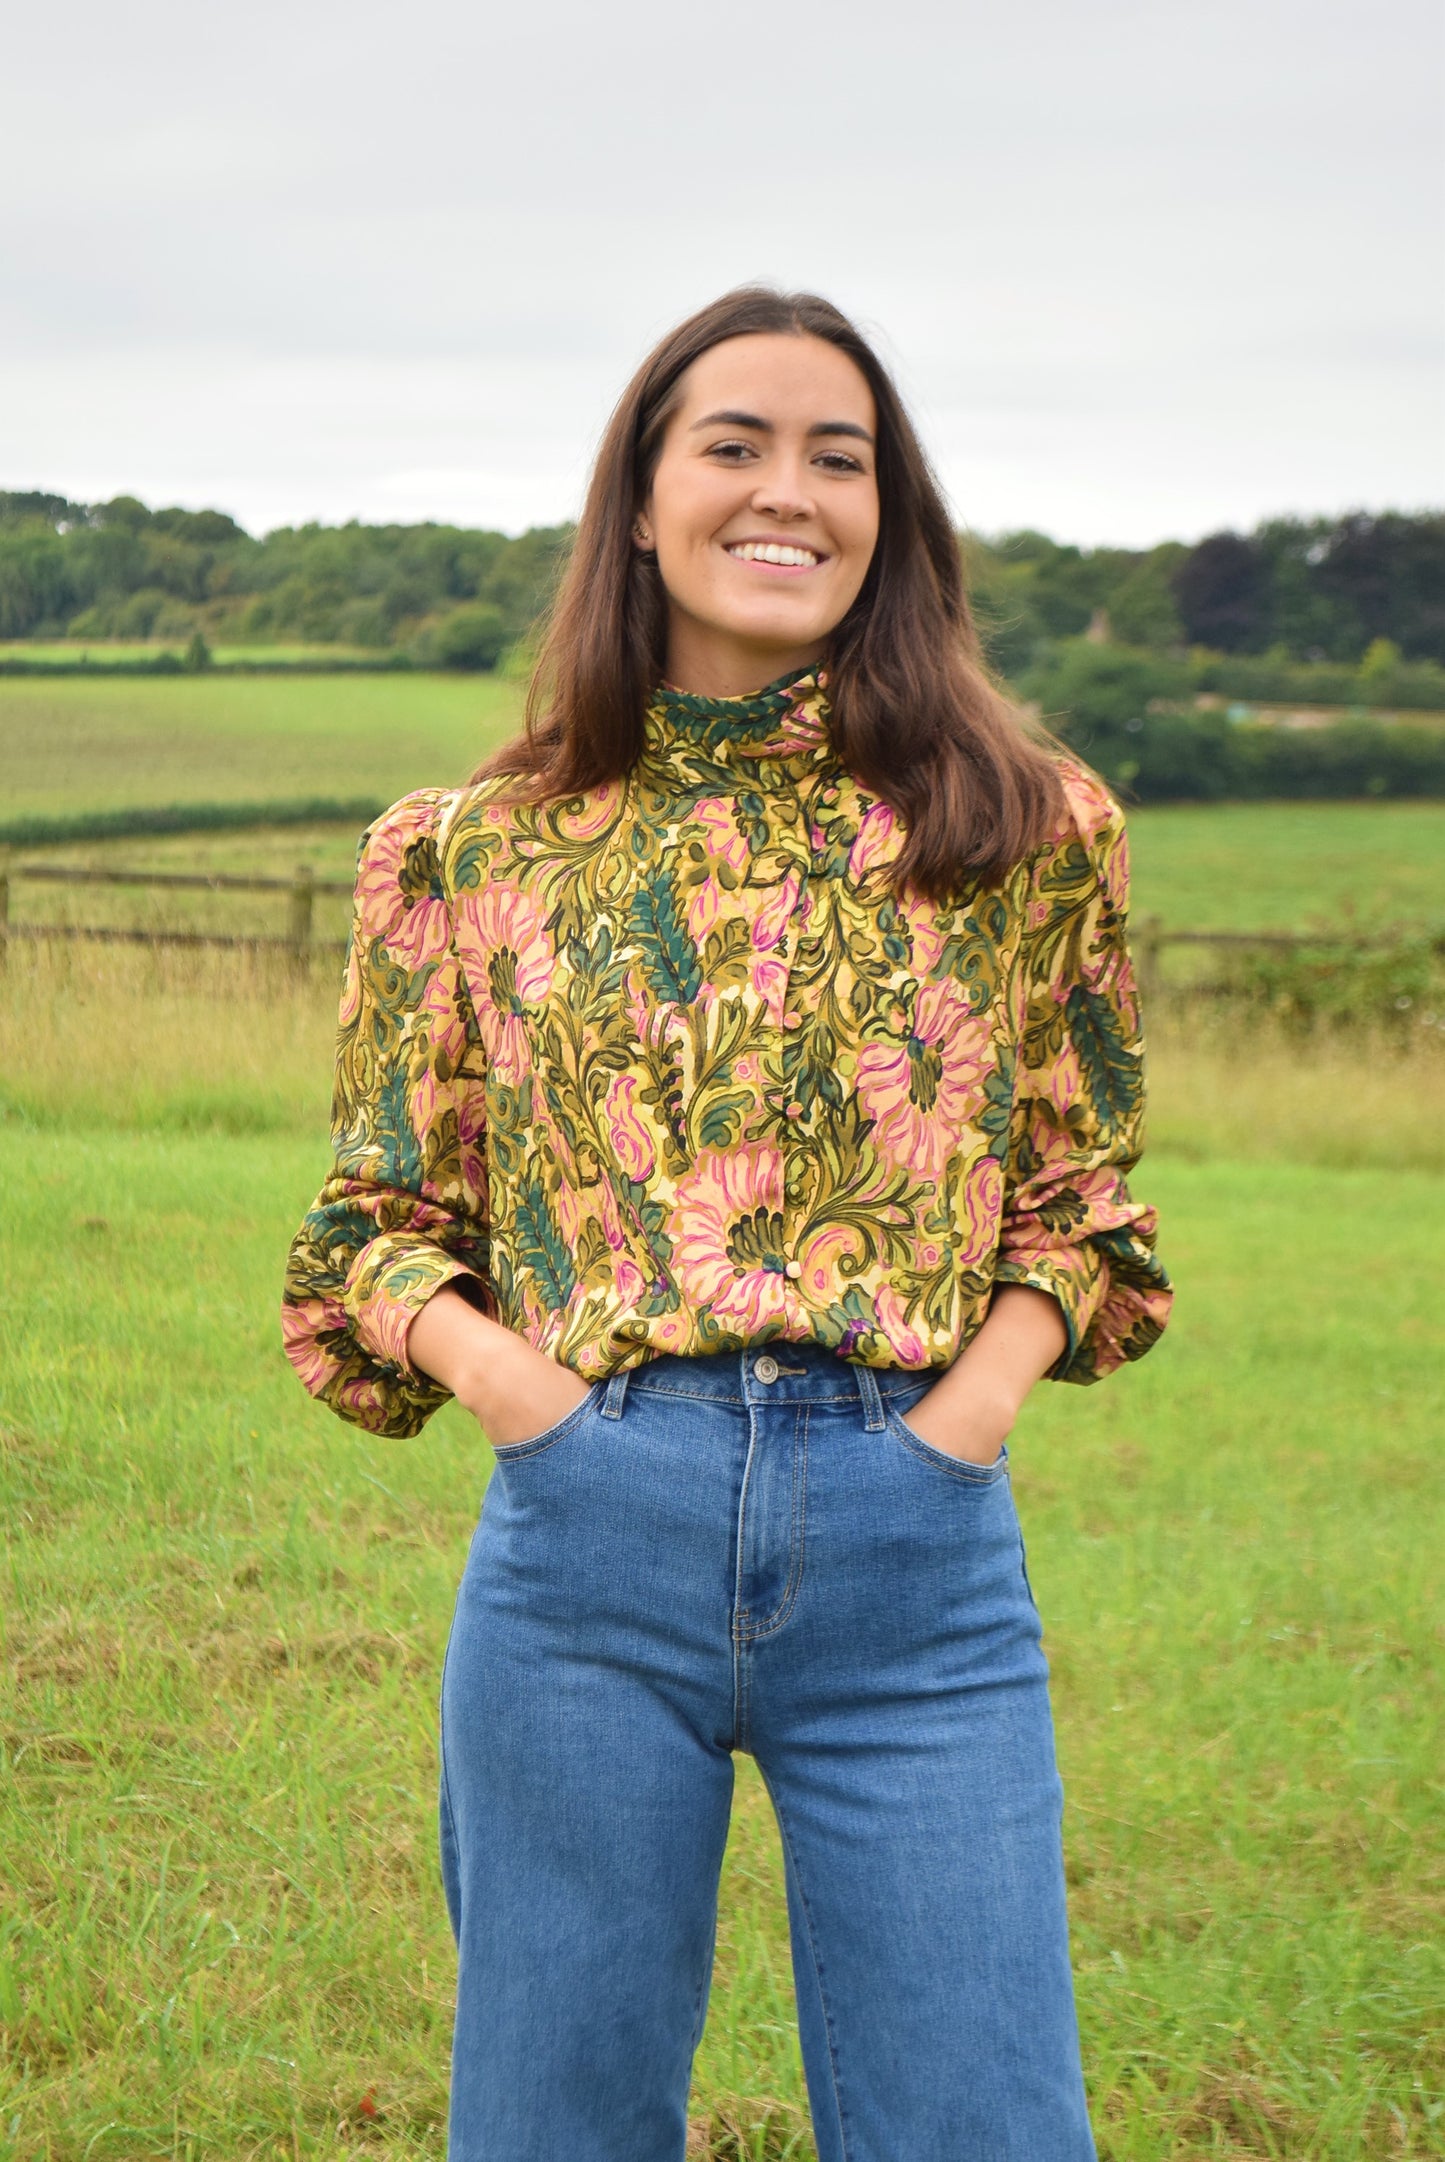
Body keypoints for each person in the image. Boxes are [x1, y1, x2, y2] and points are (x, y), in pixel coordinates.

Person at [281, 286, 1173, 2162]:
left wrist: (971, 1414)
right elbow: (366, 1221)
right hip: (589, 1542)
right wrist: (519, 1392)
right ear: (641, 500)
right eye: (735, 446)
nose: (790, 494)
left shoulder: (1025, 823)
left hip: (915, 1553)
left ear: (889, 512)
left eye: (838, 457)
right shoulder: (475, 846)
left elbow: (1082, 1203)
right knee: (556, 2122)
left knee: (985, 2124)